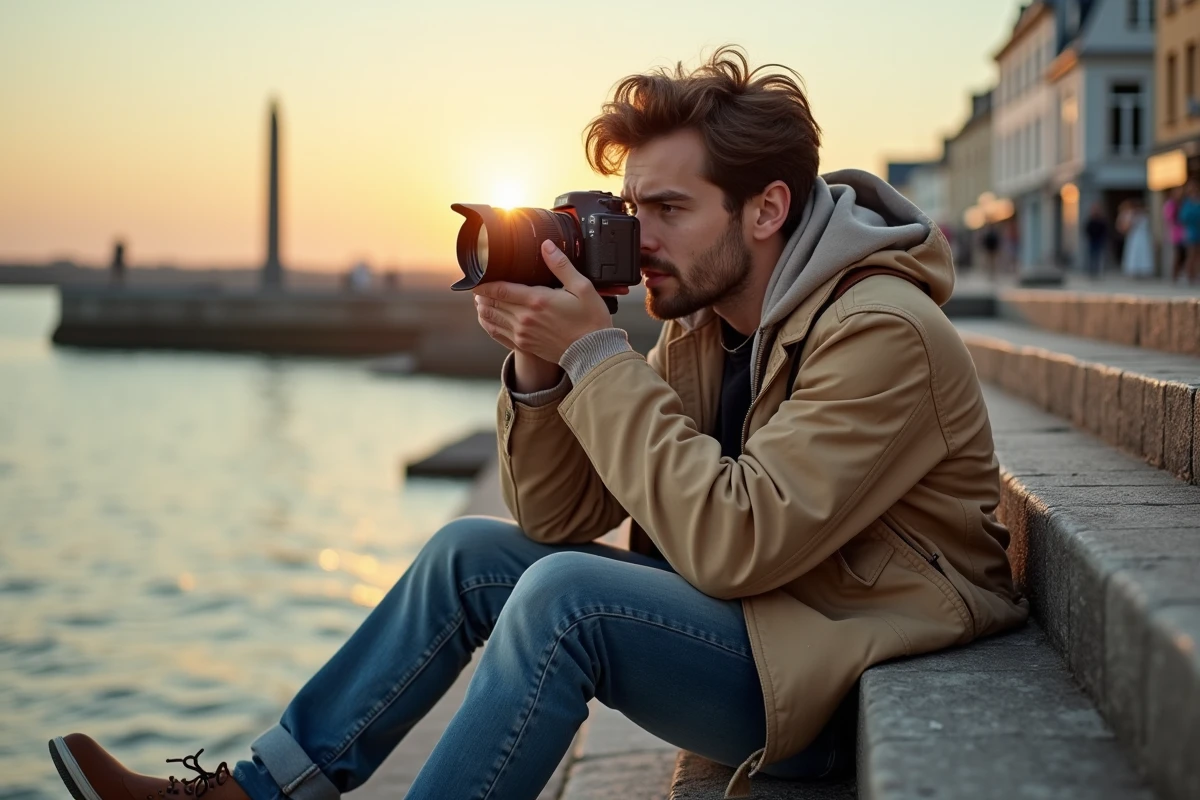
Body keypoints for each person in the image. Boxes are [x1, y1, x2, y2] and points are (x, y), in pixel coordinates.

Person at [49, 46, 1028, 800]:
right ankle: (254, 791)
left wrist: (597, 354)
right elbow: (556, 515)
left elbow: (735, 542)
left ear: (766, 208)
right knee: (468, 553)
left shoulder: (880, 330)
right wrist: (536, 362)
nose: (639, 237)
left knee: (567, 599)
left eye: (669, 208)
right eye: (631, 207)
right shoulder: (705, 324)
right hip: (773, 620)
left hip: (841, 662)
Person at [1118, 198, 1154, 279]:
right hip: (1135, 237)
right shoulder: (1132, 215)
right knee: (1135, 253)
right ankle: (1136, 270)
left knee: (1142, 253)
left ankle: (1143, 270)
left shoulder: (1141, 215)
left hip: (1141, 237)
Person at [1163, 187, 1186, 282]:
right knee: (1177, 255)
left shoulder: (1183, 203)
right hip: (1175, 234)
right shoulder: (1170, 204)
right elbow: (1169, 218)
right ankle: (1174, 276)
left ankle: (1182, 273)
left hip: (1184, 233)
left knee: (1184, 255)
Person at [1180, 180, 1200, 285]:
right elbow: (1183, 217)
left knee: (1198, 256)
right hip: (1191, 232)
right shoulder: (1187, 202)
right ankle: (1189, 275)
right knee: (1191, 254)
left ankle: (1196, 275)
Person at [1084, 203, 1108, 279]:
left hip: (1099, 240)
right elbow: (1086, 229)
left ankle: (1097, 271)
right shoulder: (1090, 220)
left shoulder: (1101, 220)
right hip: (1092, 240)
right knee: (1091, 257)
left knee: (1098, 257)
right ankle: (1091, 272)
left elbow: (1105, 230)